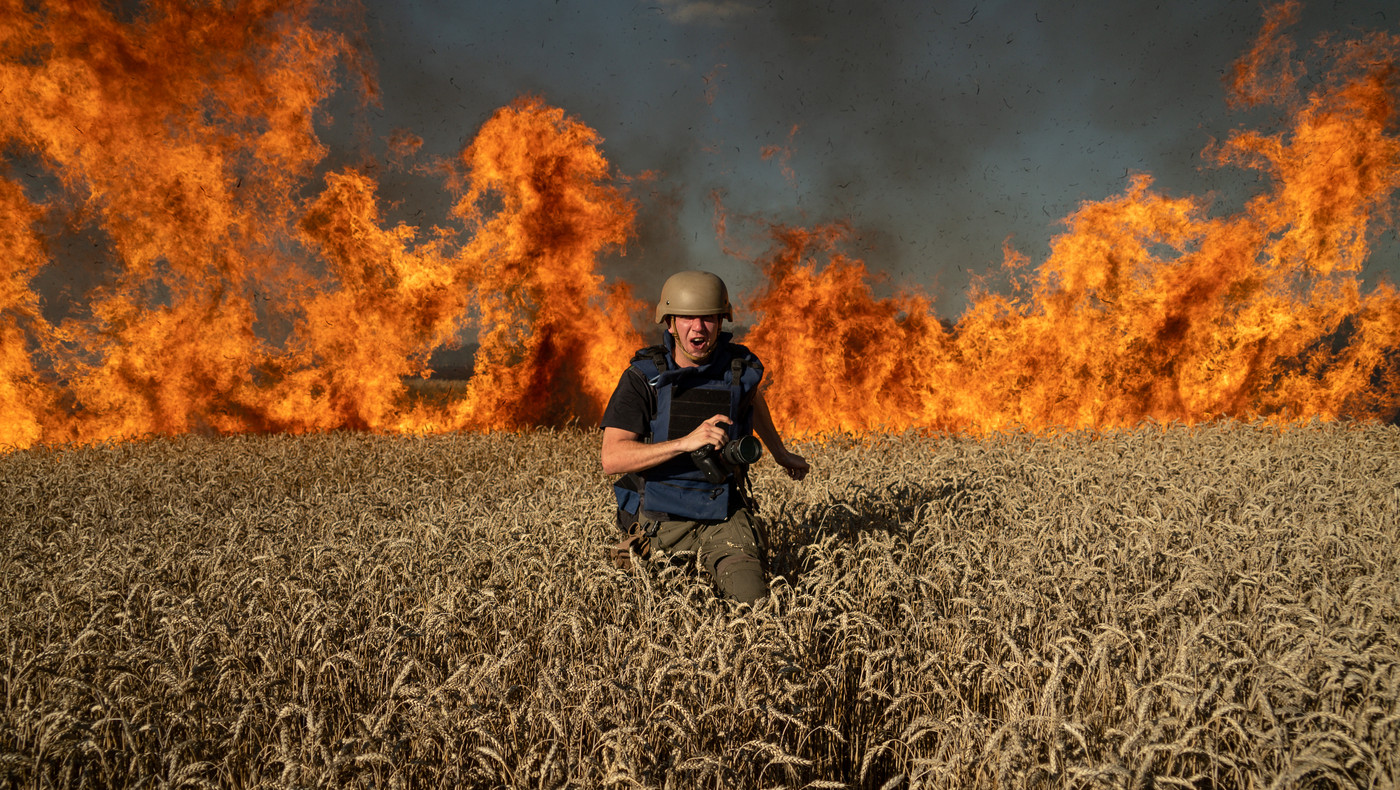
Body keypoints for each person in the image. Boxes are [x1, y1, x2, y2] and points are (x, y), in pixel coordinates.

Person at [600, 270, 809, 604]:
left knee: (753, 608)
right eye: (687, 318)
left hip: (724, 516)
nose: (698, 328)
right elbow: (612, 458)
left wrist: (780, 453)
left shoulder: (738, 370)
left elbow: (752, 399)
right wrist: (685, 443)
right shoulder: (643, 379)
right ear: (670, 323)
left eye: (708, 318)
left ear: (721, 321)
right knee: (644, 609)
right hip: (661, 522)